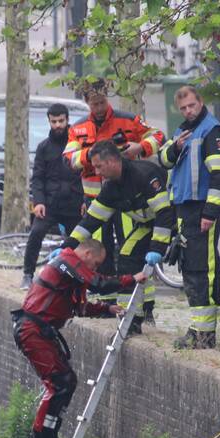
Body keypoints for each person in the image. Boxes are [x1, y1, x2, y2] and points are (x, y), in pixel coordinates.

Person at [11, 239, 148, 438]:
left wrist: (106, 309)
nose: (94, 269)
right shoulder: (67, 261)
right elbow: (98, 284)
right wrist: (130, 279)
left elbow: (78, 308)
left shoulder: (71, 275)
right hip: (32, 330)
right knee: (58, 384)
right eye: (94, 263)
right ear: (86, 253)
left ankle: (49, 437)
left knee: (67, 383)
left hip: (40, 331)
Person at [63, 80, 164, 310]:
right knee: (98, 250)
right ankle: (104, 299)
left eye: (102, 102)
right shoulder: (78, 128)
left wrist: (140, 148)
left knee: (129, 249)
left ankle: (144, 305)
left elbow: (158, 136)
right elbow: (68, 159)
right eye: (94, 104)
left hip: (126, 198)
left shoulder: (126, 120)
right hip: (95, 198)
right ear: (87, 103)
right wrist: (93, 155)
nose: (99, 107)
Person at [64, 141, 174, 334]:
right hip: (148, 224)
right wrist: (68, 246)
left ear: (113, 161)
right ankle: (132, 319)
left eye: (99, 166)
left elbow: (165, 213)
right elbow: (91, 220)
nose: (96, 173)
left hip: (173, 220)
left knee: (195, 270)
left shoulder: (144, 175)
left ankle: (139, 316)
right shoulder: (111, 188)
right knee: (126, 256)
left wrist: (157, 248)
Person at [158, 85, 220, 349]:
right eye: (183, 108)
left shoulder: (212, 131)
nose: (188, 111)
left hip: (201, 209)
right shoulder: (182, 131)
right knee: (195, 268)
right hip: (184, 209)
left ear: (201, 102)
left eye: (191, 105)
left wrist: (210, 213)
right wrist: (175, 148)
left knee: (202, 271)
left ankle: (204, 335)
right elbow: (164, 160)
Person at [22, 104, 85, 290]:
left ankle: (79, 277)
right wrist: (38, 202)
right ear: (49, 121)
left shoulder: (78, 144)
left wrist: (85, 201)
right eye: (54, 121)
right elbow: (37, 178)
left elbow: (87, 174)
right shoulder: (43, 147)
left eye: (61, 121)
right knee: (35, 234)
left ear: (67, 120)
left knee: (80, 242)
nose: (57, 125)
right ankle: (27, 274)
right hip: (49, 204)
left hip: (74, 203)